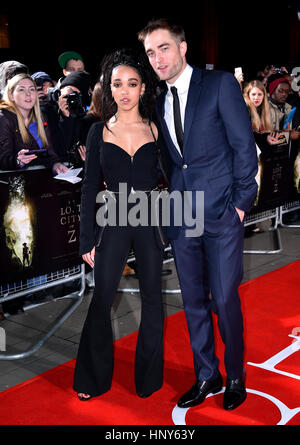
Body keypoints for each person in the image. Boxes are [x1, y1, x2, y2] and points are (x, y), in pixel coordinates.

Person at [138, 18, 258, 411]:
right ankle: (207, 374)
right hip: (183, 215)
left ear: (183, 46)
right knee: (192, 301)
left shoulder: (220, 84)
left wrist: (240, 204)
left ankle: (236, 374)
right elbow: (177, 163)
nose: (158, 58)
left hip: (223, 212)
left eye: (164, 48)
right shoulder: (159, 99)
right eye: (151, 52)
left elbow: (243, 147)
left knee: (224, 299)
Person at [73, 48, 166, 401]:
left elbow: (177, 179)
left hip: (148, 219)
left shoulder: (157, 130)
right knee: (102, 298)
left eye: (131, 83)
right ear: (108, 89)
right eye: (117, 84)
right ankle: (92, 380)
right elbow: (87, 190)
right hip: (112, 219)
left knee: (153, 301)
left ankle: (148, 379)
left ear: (143, 88)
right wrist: (86, 241)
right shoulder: (98, 132)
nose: (124, 91)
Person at [0, 73, 67, 173]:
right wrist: (17, 161)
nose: (28, 94)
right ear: (11, 95)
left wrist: (56, 164)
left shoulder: (41, 117)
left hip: (36, 180)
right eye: (21, 89)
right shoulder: (4, 118)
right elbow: (3, 159)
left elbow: (49, 152)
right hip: (11, 183)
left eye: (32, 89)